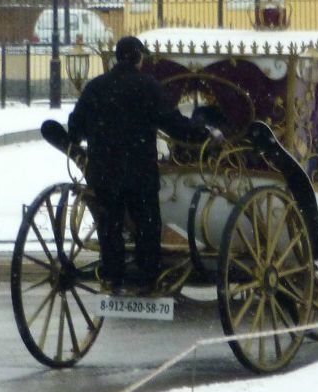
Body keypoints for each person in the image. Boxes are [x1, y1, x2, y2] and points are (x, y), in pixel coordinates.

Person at [68, 35, 217, 294]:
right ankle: (148, 277)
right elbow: (172, 123)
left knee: (111, 226)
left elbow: (76, 127)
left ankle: (114, 276)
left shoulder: (96, 87)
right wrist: (203, 136)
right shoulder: (146, 86)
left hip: (103, 172)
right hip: (138, 172)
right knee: (147, 224)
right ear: (138, 58)